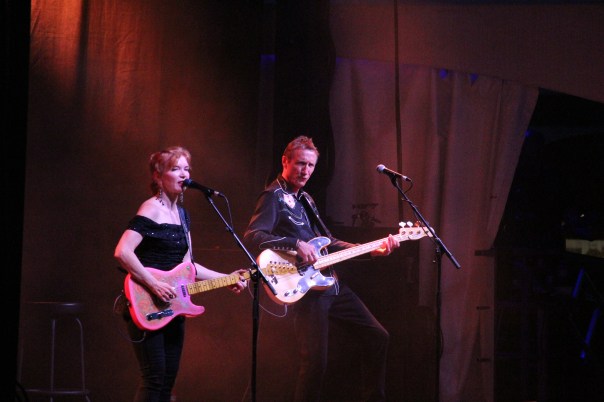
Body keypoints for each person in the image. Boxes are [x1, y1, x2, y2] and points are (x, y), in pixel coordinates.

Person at [242, 135, 399, 402]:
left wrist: (371, 249)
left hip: (330, 283)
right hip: (307, 290)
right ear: (285, 161)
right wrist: (295, 243)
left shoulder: (306, 199)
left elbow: (328, 242)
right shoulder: (273, 196)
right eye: (300, 163)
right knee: (315, 363)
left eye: (311, 165)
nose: (306, 171)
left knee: (377, 336)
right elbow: (253, 235)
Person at [114, 146, 248, 402]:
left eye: (187, 169)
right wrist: (153, 283)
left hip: (172, 306)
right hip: (146, 301)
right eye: (175, 169)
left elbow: (189, 267)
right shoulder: (151, 209)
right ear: (158, 176)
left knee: (167, 382)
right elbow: (122, 251)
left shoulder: (183, 215)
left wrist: (227, 278)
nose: (184, 174)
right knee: (153, 379)